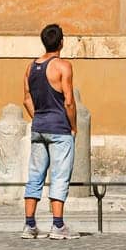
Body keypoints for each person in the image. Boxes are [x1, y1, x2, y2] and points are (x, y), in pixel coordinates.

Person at [21, 22, 77, 239]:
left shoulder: (30, 67)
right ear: (61, 42)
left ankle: (29, 225)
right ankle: (58, 225)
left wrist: (39, 118)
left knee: (35, 175)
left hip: (39, 127)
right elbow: (69, 101)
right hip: (59, 129)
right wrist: (73, 126)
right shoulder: (63, 66)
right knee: (60, 176)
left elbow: (26, 99)